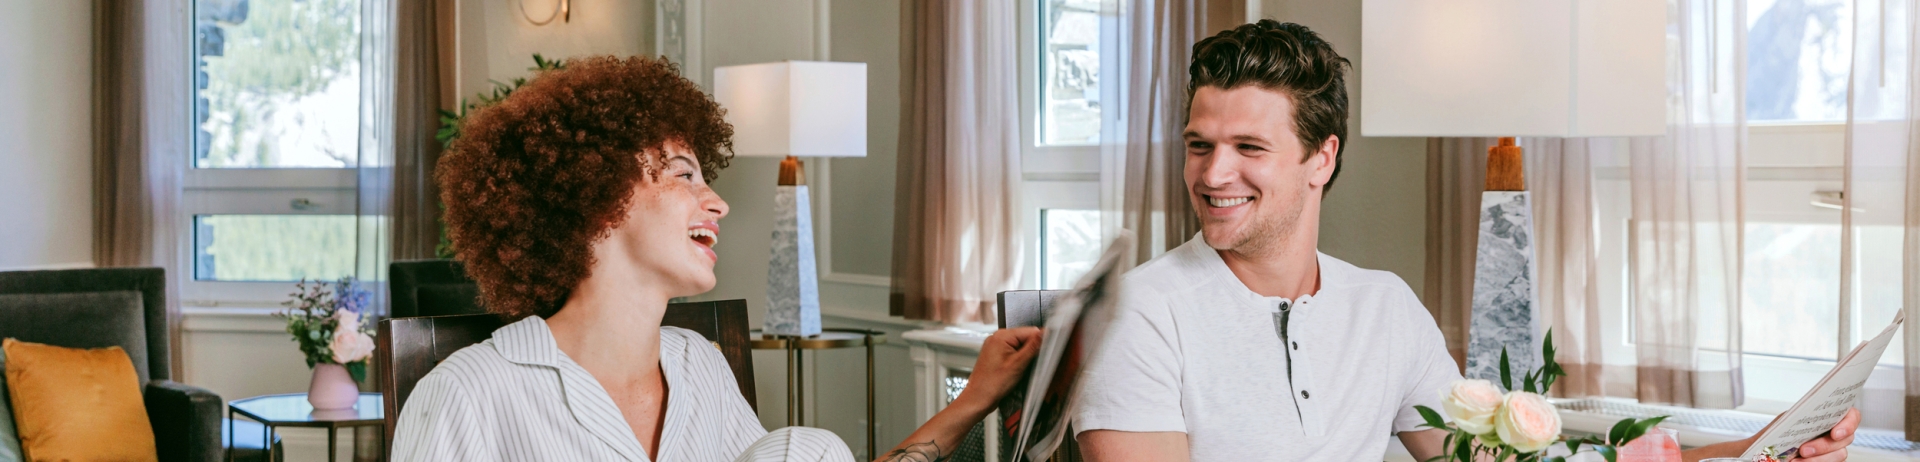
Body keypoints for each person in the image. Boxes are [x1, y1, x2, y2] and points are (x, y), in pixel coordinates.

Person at [1069, 20, 1860, 462]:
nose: (1214, 173)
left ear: (1323, 157)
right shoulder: (1140, 312)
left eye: (1249, 147)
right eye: (1199, 144)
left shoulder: (1382, 306)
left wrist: (1760, 450)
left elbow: (1484, 461)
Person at [392, 55, 1041, 462]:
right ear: (593, 197)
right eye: (683, 175)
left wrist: (976, 397)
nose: (719, 203)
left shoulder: (697, 368)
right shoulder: (468, 394)